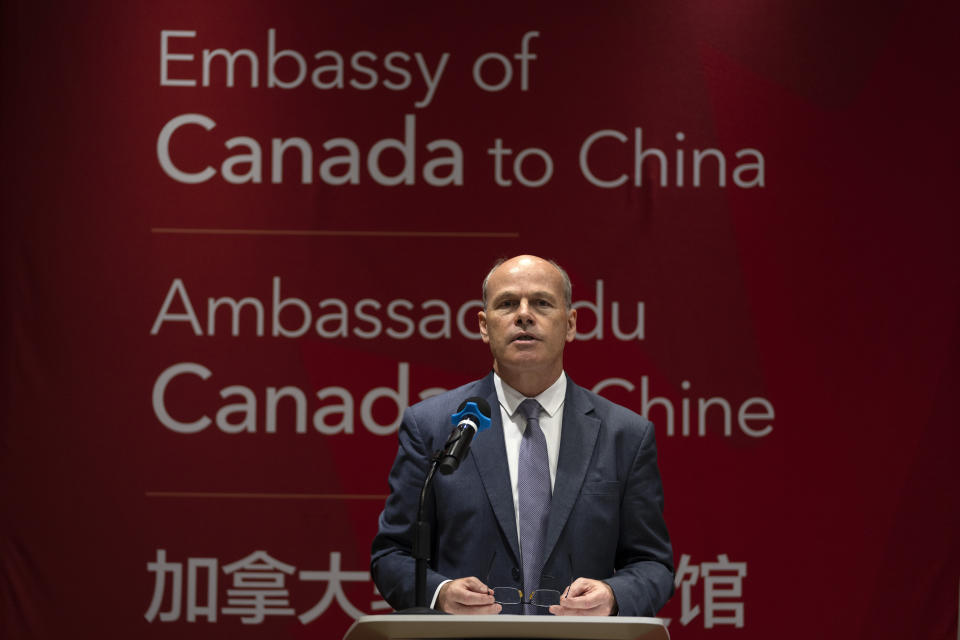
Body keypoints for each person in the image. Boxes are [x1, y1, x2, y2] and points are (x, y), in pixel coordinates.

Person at [371, 255, 674, 616]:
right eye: (508, 304)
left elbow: (653, 565)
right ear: (484, 326)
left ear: (571, 324)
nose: (524, 315)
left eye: (542, 303)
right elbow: (392, 555)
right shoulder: (434, 426)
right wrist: (441, 593)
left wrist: (612, 595)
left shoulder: (625, 436)